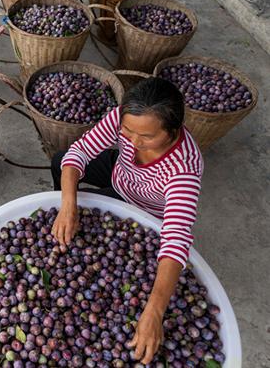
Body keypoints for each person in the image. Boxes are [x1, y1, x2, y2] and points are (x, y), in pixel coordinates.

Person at [51, 77, 203, 364]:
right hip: (121, 175)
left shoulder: (185, 169)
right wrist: (68, 205)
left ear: (173, 130)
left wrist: (154, 312)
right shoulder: (127, 120)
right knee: (60, 162)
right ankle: (64, 214)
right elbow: (78, 152)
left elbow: (176, 239)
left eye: (146, 137)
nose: (133, 141)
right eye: (127, 131)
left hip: (144, 211)